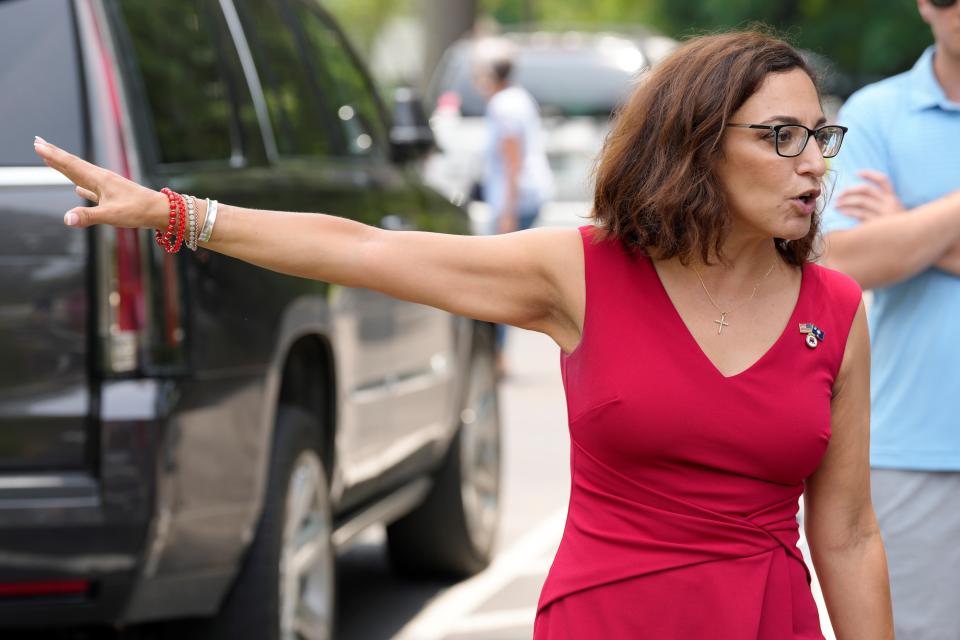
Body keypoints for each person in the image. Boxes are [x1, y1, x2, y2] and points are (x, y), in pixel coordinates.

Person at [34, 29, 893, 639]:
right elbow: (366, 249)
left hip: (765, 621)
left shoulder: (836, 311)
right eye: (781, 137)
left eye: (820, 135)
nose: (814, 161)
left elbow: (848, 533)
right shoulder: (582, 273)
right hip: (609, 617)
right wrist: (181, 214)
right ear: (697, 145)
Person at [820, 1, 960, 637]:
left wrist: (909, 227)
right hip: (912, 446)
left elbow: (882, 250)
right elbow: (840, 260)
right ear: (925, 5)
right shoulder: (875, 113)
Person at [471, 38, 554, 373]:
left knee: (499, 277)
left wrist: (506, 210)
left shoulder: (503, 105)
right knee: (505, 274)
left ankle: (497, 354)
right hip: (530, 194)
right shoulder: (520, 98)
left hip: (515, 199)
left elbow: (511, 158)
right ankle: (498, 352)